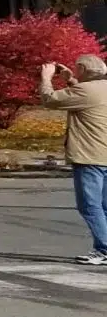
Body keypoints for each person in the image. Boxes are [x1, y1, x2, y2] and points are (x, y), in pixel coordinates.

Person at [34, 54, 107, 267]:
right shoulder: (98, 89)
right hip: (104, 154)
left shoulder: (84, 91)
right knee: (104, 205)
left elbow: (49, 100)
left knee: (89, 205)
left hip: (90, 155)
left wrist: (46, 77)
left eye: (77, 69)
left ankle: (104, 249)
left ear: (83, 69)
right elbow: (86, 98)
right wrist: (70, 80)